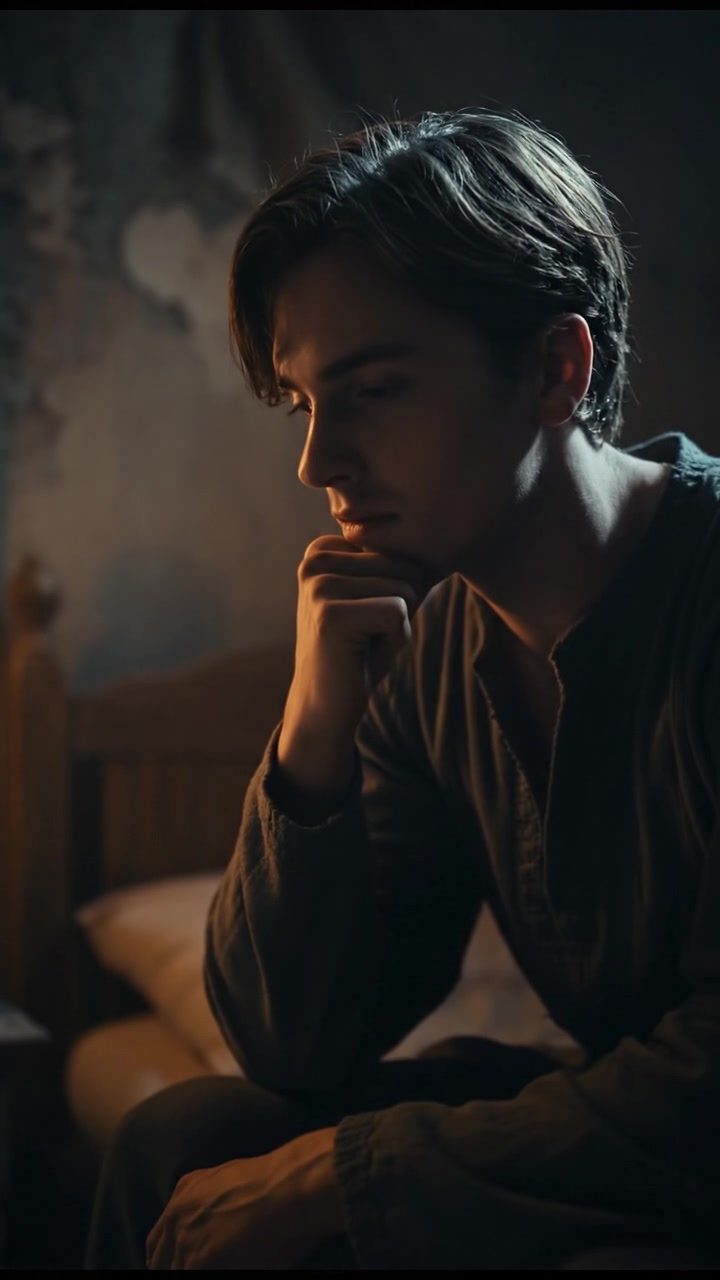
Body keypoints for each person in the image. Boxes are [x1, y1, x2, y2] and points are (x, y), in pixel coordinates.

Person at [85, 106, 720, 1270]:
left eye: (373, 389)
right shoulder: (426, 640)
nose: (317, 461)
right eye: (303, 402)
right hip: (630, 1128)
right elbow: (296, 1045)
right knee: (182, 1139)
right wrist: (312, 732)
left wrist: (350, 1176)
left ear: (556, 367)